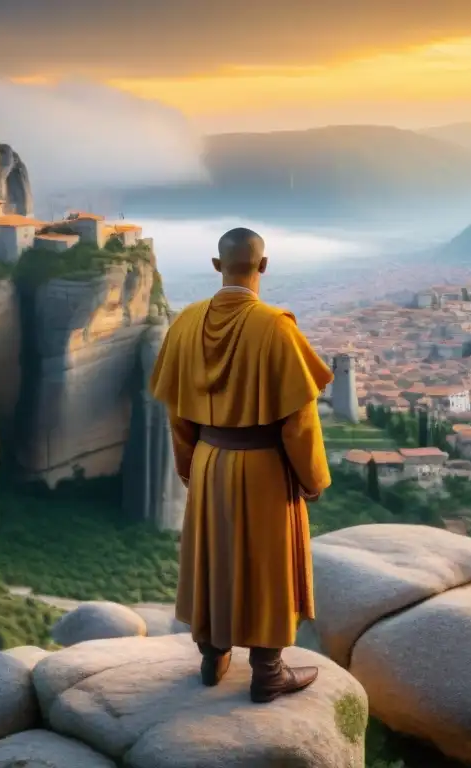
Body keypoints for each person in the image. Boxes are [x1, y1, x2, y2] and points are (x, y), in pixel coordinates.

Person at [150, 227, 334, 703]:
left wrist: (192, 468)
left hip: (210, 459)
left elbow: (177, 413)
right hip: (265, 467)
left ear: (217, 266)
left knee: (213, 555)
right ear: (263, 266)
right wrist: (312, 479)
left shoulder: (186, 321)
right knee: (268, 563)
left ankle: (212, 659)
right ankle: (268, 672)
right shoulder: (276, 327)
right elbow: (298, 422)